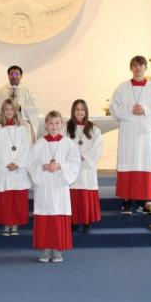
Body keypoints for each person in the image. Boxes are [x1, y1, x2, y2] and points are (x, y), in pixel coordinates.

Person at [110, 55, 151, 215]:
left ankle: (142, 202)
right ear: (131, 68)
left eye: (141, 65)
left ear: (145, 68)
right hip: (128, 132)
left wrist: (145, 111)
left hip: (144, 134)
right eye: (134, 65)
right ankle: (126, 203)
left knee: (143, 163)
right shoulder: (123, 88)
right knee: (127, 161)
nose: (138, 68)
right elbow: (114, 106)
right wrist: (129, 109)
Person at [28, 110, 81, 263]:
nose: (54, 126)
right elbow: (31, 163)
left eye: (57, 123)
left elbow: (74, 162)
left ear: (62, 125)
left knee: (58, 216)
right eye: (51, 123)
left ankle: (57, 250)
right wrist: (43, 166)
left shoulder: (68, 143)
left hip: (59, 186)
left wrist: (59, 166)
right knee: (45, 217)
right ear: (46, 125)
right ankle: (45, 250)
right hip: (44, 186)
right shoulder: (39, 144)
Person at [0, 98, 32, 236]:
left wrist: (18, 163)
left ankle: (15, 225)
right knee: (6, 199)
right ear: (2, 111)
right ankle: (6, 224)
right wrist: (6, 163)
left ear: (16, 111)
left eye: (11, 109)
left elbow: (27, 148)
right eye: (6, 109)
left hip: (18, 169)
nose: (9, 112)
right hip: (4, 169)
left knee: (17, 199)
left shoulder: (23, 129)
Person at [66, 99, 103, 233]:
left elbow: (97, 147)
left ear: (86, 111)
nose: (79, 112)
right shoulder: (66, 128)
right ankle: (73, 222)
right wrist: (74, 157)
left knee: (86, 191)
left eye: (82, 109)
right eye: (77, 109)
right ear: (73, 111)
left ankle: (87, 222)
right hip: (72, 167)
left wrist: (84, 156)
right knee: (73, 192)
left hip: (87, 167)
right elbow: (63, 146)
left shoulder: (94, 129)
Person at [0, 65, 40, 141]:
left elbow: (34, 108)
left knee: (28, 130)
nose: (14, 76)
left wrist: (21, 108)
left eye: (16, 74)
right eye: (11, 74)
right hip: (4, 123)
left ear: (21, 76)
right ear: (8, 75)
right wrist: (5, 109)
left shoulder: (27, 92)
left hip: (22, 124)